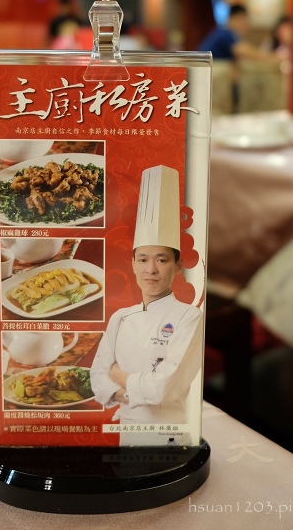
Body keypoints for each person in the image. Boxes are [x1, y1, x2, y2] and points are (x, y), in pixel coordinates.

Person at [90, 165, 203, 427]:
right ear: (133, 264)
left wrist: (118, 375)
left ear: (178, 266)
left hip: (169, 430)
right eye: (143, 259)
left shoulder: (190, 317)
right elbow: (97, 376)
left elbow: (162, 389)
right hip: (123, 426)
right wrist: (135, 390)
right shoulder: (120, 317)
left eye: (161, 260)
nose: (150, 269)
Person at [197, 3, 275, 61]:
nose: (246, 25)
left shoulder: (225, 32)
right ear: (235, 18)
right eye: (243, 21)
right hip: (205, 68)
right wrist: (271, 57)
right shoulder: (225, 33)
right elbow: (242, 50)